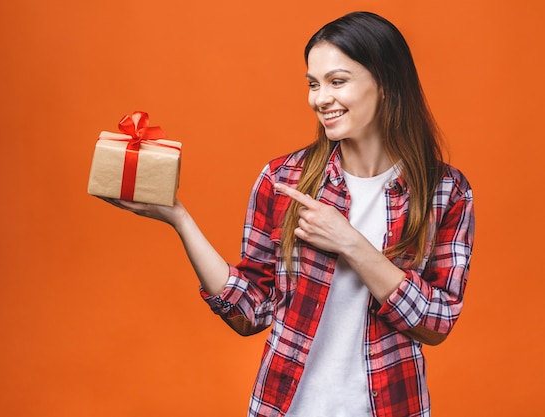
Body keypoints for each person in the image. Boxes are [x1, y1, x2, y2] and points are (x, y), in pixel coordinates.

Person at [105, 11, 475, 417]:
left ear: (385, 83)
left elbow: (436, 322)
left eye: (337, 81)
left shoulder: (445, 191)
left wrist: (350, 242)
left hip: (392, 406)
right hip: (287, 408)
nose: (320, 98)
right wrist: (179, 218)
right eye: (314, 84)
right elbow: (250, 312)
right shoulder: (285, 179)